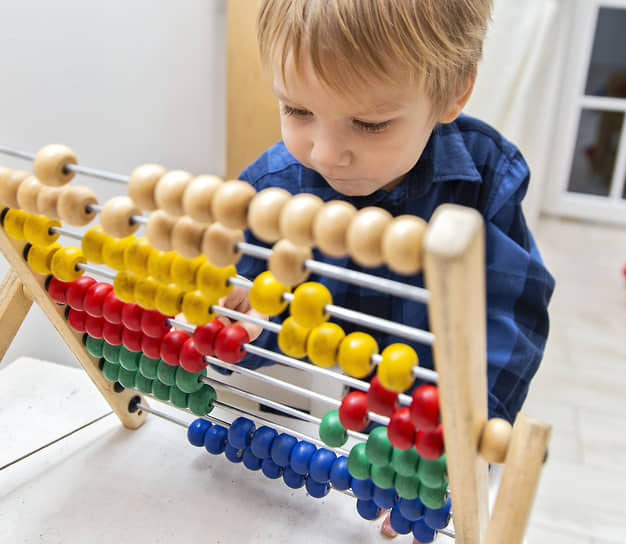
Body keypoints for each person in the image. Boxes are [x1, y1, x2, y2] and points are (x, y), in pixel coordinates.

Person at [224, 1, 554, 540]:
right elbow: (258, 317)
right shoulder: (271, 192)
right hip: (324, 433)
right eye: (297, 111)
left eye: (369, 123)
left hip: (436, 436)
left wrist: (456, 441)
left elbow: (512, 317)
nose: (326, 153)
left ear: (454, 92)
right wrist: (241, 326)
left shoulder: (485, 178)